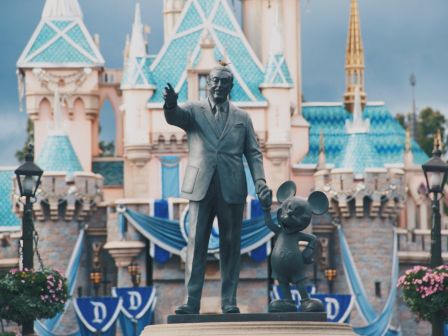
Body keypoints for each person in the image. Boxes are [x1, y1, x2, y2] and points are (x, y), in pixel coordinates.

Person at [163, 64, 272, 314]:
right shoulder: (193, 110)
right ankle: (192, 302)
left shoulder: (242, 117)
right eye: (215, 81)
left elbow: (253, 153)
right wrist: (170, 105)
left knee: (231, 245)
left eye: (224, 82)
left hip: (232, 186)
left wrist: (260, 182)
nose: (219, 86)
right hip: (201, 185)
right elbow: (175, 117)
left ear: (231, 86)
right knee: (196, 243)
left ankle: (229, 301)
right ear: (207, 83)